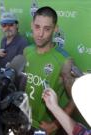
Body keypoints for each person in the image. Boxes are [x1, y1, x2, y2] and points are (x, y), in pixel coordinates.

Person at [23, 6, 80, 134]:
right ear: (32, 25)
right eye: (37, 27)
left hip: (43, 128)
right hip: (23, 119)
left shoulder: (65, 61)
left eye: (47, 29)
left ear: (55, 29)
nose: (40, 34)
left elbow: (76, 98)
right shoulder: (27, 51)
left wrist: (54, 125)